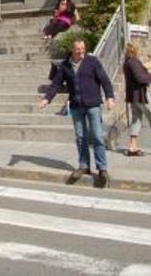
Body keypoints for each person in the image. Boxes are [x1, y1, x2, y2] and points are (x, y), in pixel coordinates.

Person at [39, 39, 114, 187]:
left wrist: (110, 97)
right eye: (78, 49)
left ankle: (102, 168)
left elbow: (104, 80)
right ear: (72, 50)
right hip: (76, 106)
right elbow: (56, 84)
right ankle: (84, 165)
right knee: (81, 137)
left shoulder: (92, 61)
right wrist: (47, 99)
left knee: (98, 136)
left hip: (93, 105)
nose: (81, 52)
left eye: (83, 49)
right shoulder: (65, 66)